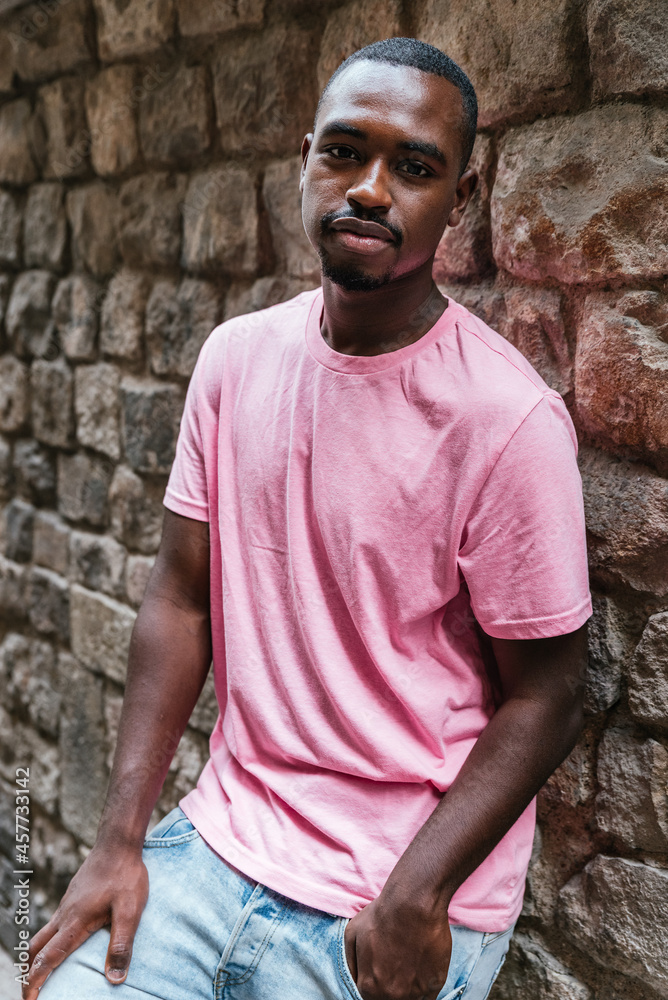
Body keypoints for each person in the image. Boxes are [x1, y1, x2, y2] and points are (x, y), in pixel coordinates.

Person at [24, 37, 591, 1000]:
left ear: (462, 197)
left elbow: (549, 696)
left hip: (391, 895)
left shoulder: (506, 420)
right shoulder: (236, 360)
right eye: (344, 152)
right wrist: (116, 844)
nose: (370, 189)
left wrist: (418, 894)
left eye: (413, 168)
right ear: (305, 160)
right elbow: (182, 595)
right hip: (220, 844)